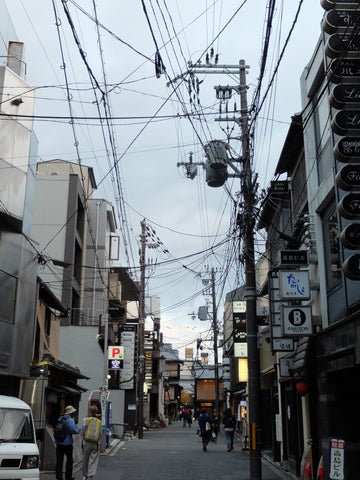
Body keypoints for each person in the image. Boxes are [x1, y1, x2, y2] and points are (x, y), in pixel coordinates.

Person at [55, 405, 80, 480]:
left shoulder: (60, 418)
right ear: (71, 413)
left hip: (58, 442)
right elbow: (73, 430)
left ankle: (59, 477)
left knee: (59, 461)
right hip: (67, 443)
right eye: (73, 412)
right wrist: (78, 429)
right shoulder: (70, 420)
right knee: (69, 461)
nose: (74, 413)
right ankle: (68, 477)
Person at [81, 405, 102, 480]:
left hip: (86, 442)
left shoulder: (85, 420)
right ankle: (90, 476)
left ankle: (85, 475)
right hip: (95, 443)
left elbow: (83, 431)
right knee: (93, 460)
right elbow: (100, 433)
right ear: (96, 412)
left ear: (89, 411)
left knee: (85, 459)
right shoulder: (99, 422)